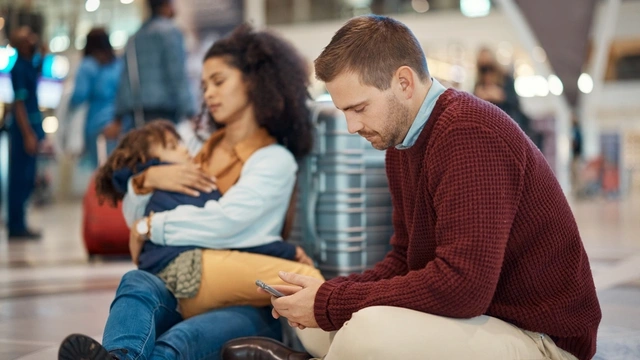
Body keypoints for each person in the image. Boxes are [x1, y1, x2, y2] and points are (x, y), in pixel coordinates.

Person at [222, 15, 601, 360]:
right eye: (344, 113)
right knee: (318, 327)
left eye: (359, 108)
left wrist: (333, 301)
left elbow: (463, 287)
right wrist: (326, 295)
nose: (352, 127)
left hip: (542, 337)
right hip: (487, 318)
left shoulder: (469, 133)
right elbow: (404, 260)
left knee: (364, 331)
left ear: (403, 82)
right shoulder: (403, 143)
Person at [58, 24, 322, 360]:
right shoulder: (195, 149)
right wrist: (146, 180)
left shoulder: (274, 160)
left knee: (180, 340)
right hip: (177, 282)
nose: (209, 94)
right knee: (135, 284)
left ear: (254, 81)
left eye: (219, 81)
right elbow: (135, 218)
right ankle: (120, 356)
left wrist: (153, 228)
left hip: (245, 303)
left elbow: (226, 224)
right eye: (204, 85)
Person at [94, 119, 312, 284]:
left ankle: (121, 347)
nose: (185, 149)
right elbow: (228, 236)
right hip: (190, 272)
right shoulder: (186, 186)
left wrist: (145, 184)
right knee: (307, 277)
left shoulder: (176, 185)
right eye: (172, 146)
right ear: (150, 161)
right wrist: (285, 251)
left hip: (164, 273)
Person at [104, 0, 195, 139]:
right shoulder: (171, 32)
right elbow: (178, 75)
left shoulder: (134, 38)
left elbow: (125, 80)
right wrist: (191, 111)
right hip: (166, 113)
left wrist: (118, 117)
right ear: (165, 6)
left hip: (138, 115)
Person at [7, 26, 45, 239]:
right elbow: (19, 105)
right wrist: (28, 134)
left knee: (28, 177)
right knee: (20, 179)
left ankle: (19, 223)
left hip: (31, 128)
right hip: (23, 131)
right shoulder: (18, 68)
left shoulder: (28, 65)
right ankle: (16, 226)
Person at [70, 28, 124, 168]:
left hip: (96, 126)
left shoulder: (88, 66)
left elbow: (78, 96)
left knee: (100, 173)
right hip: (119, 124)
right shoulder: (119, 65)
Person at [473, 47, 539, 147]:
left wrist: (500, 95)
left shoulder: (505, 78)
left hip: (507, 117)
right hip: (487, 122)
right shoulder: (478, 83)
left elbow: (515, 102)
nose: (487, 71)